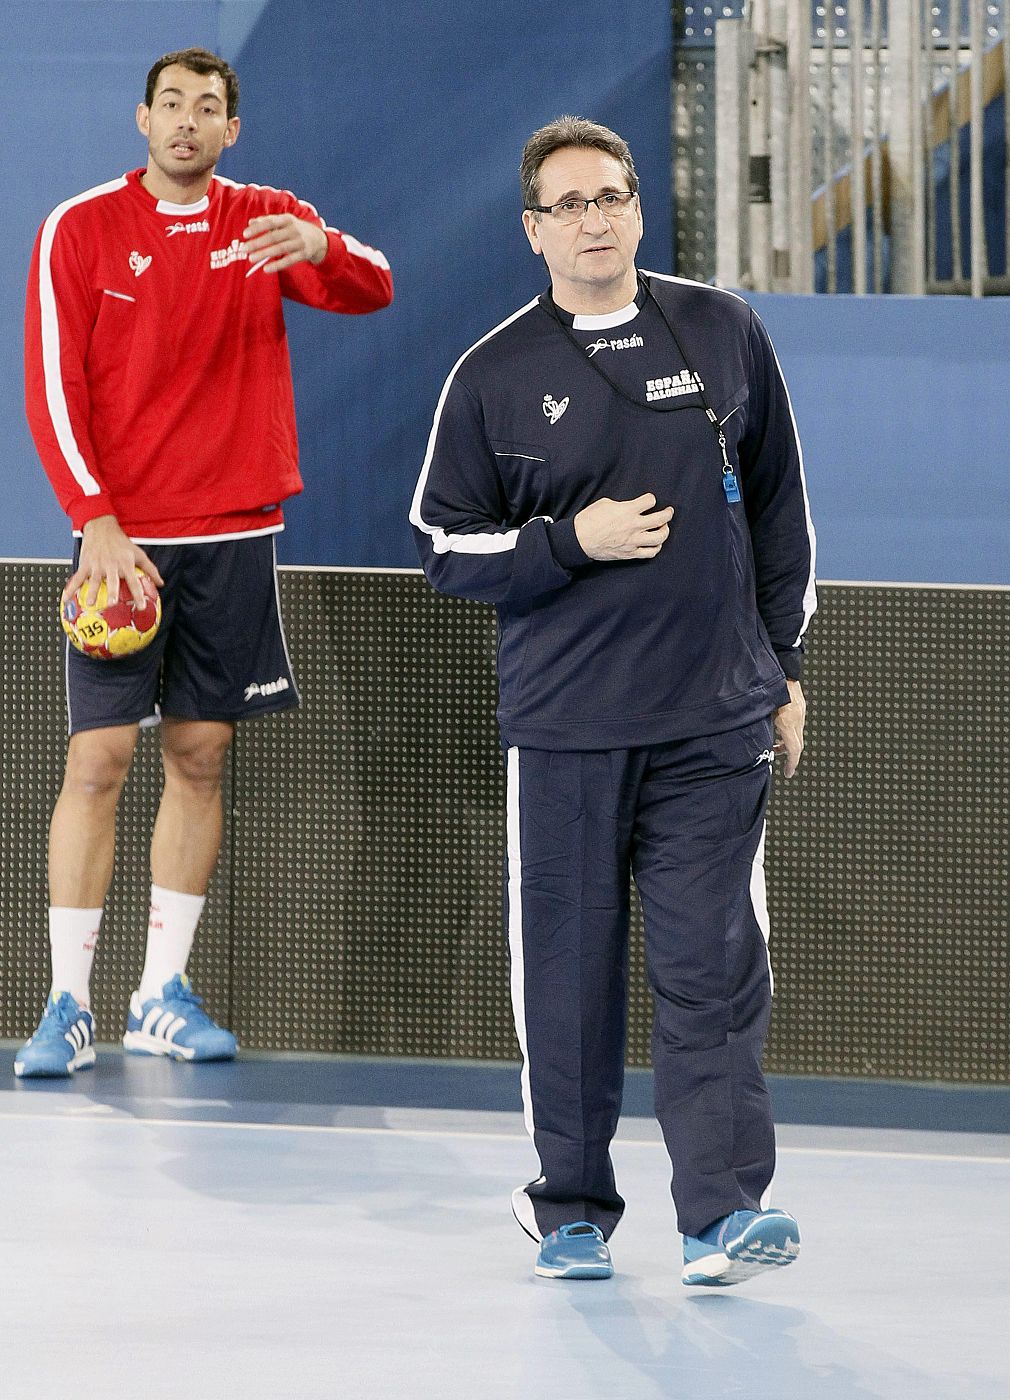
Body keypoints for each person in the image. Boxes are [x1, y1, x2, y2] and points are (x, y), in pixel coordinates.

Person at [411, 116, 814, 1288]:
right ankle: (569, 1206)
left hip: (713, 720)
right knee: (568, 973)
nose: (593, 219)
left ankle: (721, 1213)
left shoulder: (725, 331)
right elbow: (443, 543)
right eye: (567, 204)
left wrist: (783, 665)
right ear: (532, 229)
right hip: (568, 729)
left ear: (638, 208)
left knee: (712, 964)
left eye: (610, 196)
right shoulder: (489, 375)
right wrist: (565, 540)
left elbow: (780, 509)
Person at [18, 47, 392, 1078]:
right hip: (120, 544)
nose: (187, 121)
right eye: (171, 103)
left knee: (198, 756)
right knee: (96, 761)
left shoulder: (265, 216)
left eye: (209, 108)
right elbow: (51, 387)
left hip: (232, 532)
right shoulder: (79, 227)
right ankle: (67, 1001)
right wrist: (93, 516)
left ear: (232, 129)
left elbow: (374, 286)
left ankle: (158, 994)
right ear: (142, 118)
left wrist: (320, 243)